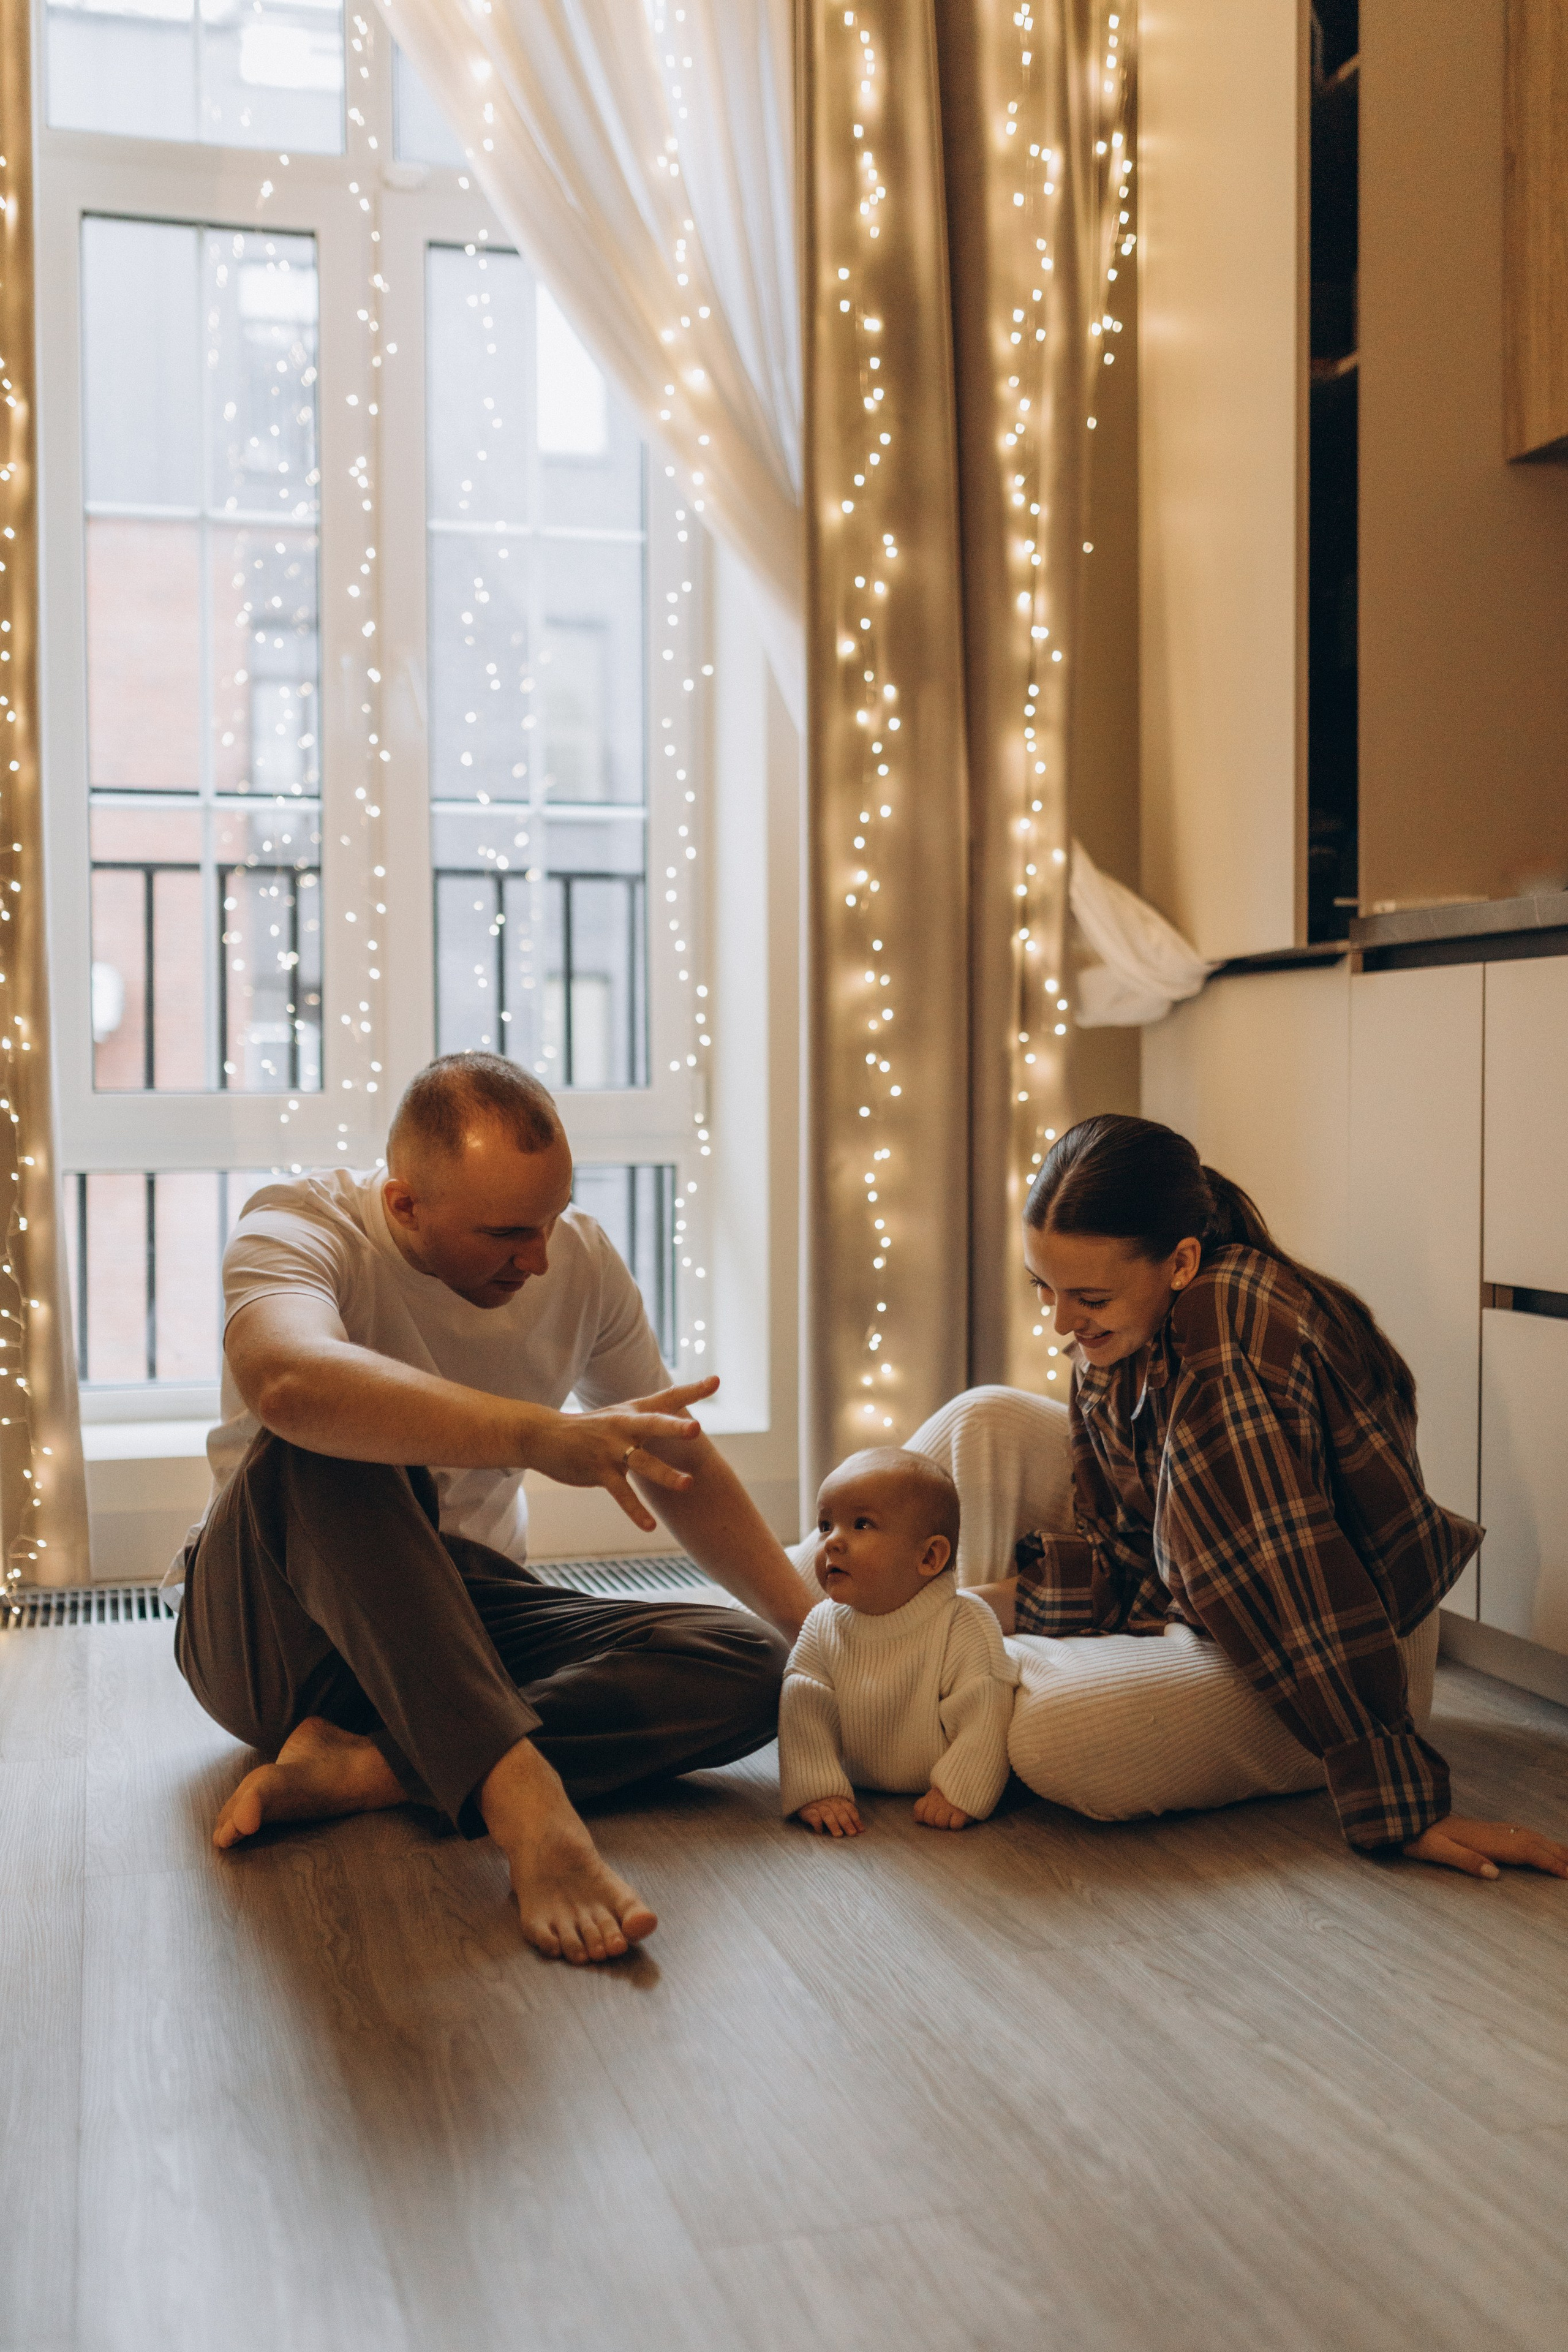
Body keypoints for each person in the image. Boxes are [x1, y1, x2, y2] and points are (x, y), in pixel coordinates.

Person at [175, 1053, 810, 1966]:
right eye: (508, 1232)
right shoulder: (298, 1224)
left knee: (750, 1662)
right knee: (326, 1435)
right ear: (404, 1205)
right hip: (276, 1626)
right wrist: (536, 1435)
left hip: (465, 1621)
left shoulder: (579, 1261)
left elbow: (672, 1453)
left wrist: (815, 1630)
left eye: (552, 1218)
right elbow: (286, 1381)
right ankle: (525, 1804)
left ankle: (372, 1769)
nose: (539, 1257)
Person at [898, 1116, 1568, 1883]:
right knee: (982, 1418)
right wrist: (975, 1609)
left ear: (1181, 1262)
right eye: (1042, 1287)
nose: (1058, 1321)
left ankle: (917, 1686)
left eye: (1086, 1296)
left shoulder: (1223, 1323)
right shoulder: (1121, 1325)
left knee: (1052, 1734)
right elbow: (1127, 1554)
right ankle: (827, 1621)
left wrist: (1397, 1794)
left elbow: (1293, 1576)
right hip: (1210, 1592)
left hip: (1338, 1660)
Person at [778, 1449, 1018, 1837]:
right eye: (825, 1525)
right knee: (799, 1688)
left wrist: (960, 1791)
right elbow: (805, 1709)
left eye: (861, 1524)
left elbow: (984, 1712)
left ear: (929, 1557)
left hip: (939, 1778)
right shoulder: (822, 1624)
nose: (831, 1542)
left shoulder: (964, 1623)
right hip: (858, 1782)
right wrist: (818, 1789)